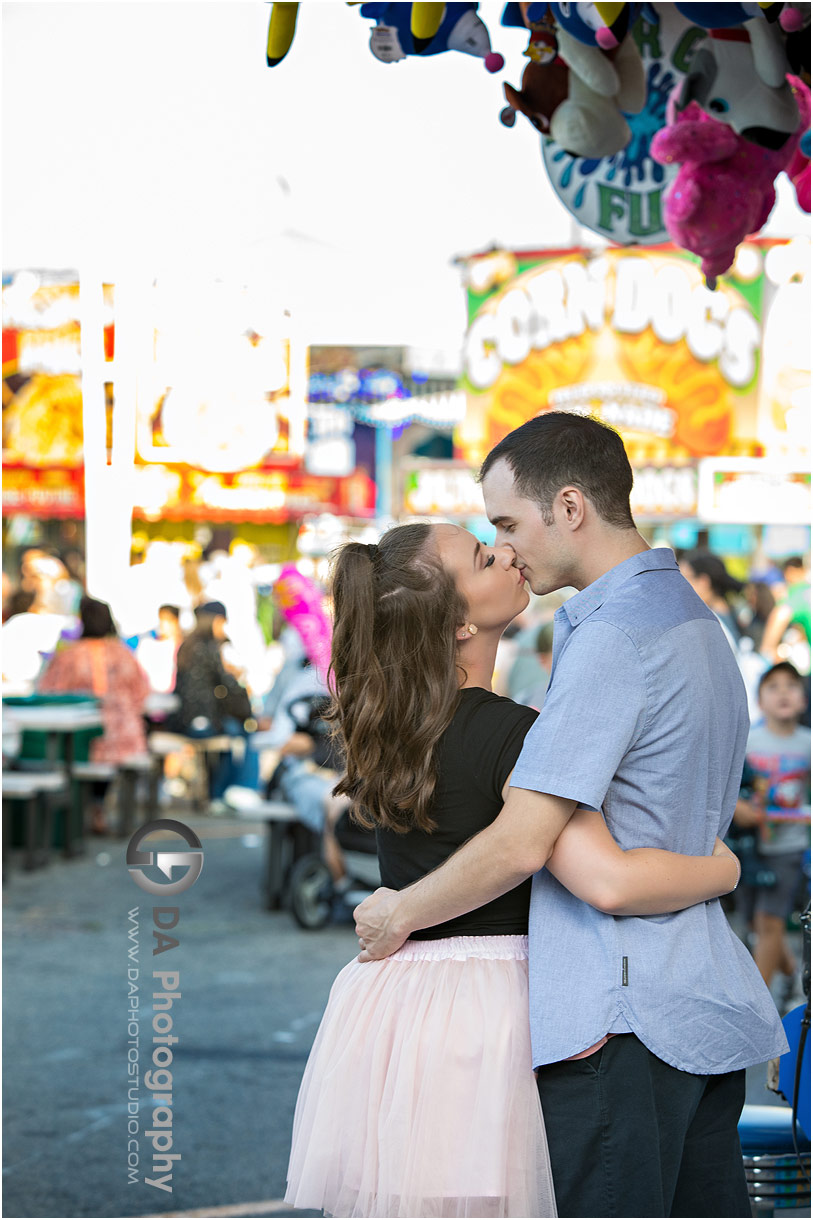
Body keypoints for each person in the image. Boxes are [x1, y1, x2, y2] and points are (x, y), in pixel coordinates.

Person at [354, 412, 788, 1219]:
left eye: (507, 525)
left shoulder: (611, 639)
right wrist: (720, 864)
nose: (508, 548)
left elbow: (539, 848)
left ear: (570, 508)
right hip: (691, 998)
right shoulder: (695, 622)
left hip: (618, 1016)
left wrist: (398, 914)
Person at [285, 519, 743, 1220]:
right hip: (492, 1007)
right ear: (460, 621)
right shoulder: (511, 733)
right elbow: (609, 880)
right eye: (481, 555)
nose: (504, 553)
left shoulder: (391, 727)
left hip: (395, 1007)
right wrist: (720, 867)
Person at [38, 596, 151, 832]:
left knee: (85, 751)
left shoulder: (70, 655)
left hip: (82, 742)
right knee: (104, 750)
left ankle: (84, 811)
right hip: (125, 742)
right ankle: (98, 807)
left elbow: (47, 693)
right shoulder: (122, 653)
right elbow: (142, 691)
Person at [734, 661, 811, 998]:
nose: (783, 692)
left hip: (787, 849)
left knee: (769, 923)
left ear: (804, 698)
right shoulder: (749, 741)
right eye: (773, 686)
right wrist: (738, 809)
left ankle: (758, 1006)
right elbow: (725, 786)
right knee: (755, 922)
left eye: (791, 686)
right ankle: (792, 973)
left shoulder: (807, 743)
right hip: (749, 849)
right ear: (759, 700)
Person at [168, 600, 259, 806]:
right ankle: (232, 791)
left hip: (183, 720)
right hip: (204, 721)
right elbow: (227, 686)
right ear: (214, 621)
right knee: (241, 731)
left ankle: (220, 792)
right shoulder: (209, 648)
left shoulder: (187, 646)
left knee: (230, 734)